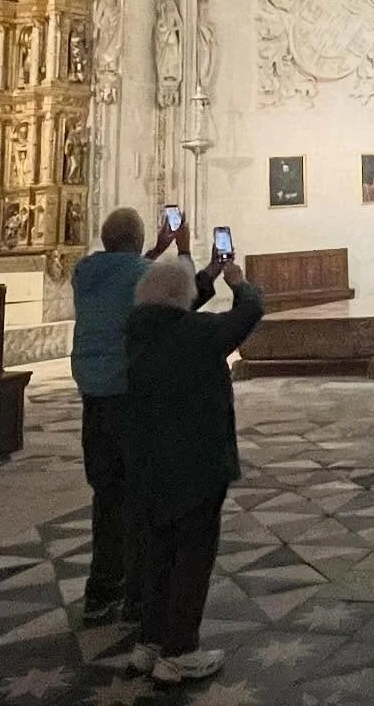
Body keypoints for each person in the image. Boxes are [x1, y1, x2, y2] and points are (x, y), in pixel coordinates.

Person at [121, 252, 264, 685]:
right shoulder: (199, 334)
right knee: (192, 554)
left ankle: (149, 643)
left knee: (158, 550)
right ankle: (180, 650)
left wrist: (202, 278)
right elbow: (250, 312)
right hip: (197, 461)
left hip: (149, 463)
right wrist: (238, 282)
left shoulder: (137, 330)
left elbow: (172, 308)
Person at [68, 208, 212, 631]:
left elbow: (126, 272)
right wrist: (183, 249)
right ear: (138, 241)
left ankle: (100, 593)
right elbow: (182, 298)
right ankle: (139, 597)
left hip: (94, 399)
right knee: (143, 498)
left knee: (107, 495)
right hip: (133, 398)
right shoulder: (144, 276)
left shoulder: (84, 273)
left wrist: (153, 250)